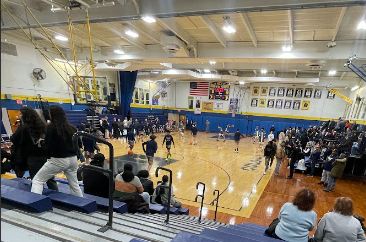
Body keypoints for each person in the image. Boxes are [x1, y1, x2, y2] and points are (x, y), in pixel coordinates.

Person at [31, 105, 83, 197]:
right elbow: (79, 145)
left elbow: (48, 147)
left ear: (52, 115)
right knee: (74, 185)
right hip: (73, 159)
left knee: (37, 180)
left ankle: (35, 204)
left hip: (58, 160)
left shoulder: (51, 128)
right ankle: (82, 205)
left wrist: (42, 143)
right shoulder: (72, 128)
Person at [10, 106, 58, 191]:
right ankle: (57, 197)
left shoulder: (24, 127)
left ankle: (37, 197)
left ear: (25, 115)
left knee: (36, 180)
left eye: (20, 114)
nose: (19, 116)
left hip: (33, 157)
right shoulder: (43, 126)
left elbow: (14, 138)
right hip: (45, 155)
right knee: (50, 179)